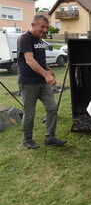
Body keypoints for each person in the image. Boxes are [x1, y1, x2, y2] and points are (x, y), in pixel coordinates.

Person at [18, 15, 67, 149]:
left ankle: (50, 138)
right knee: (29, 113)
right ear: (33, 24)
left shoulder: (39, 39)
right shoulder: (24, 38)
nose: (45, 30)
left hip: (42, 82)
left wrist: (48, 69)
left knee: (52, 108)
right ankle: (27, 139)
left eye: (46, 27)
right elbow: (29, 60)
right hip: (28, 82)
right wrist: (45, 74)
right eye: (42, 26)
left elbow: (39, 60)